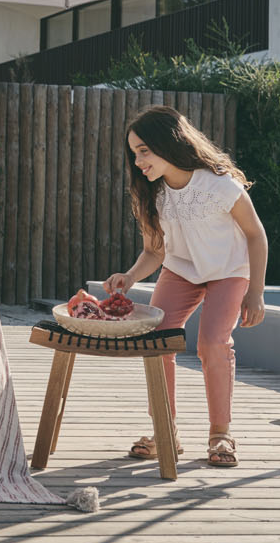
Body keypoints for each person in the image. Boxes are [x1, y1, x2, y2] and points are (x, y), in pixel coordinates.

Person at [102, 105, 268, 468]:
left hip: (227, 270)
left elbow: (256, 235)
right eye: (134, 153)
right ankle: (166, 432)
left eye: (144, 151)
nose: (138, 161)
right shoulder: (151, 193)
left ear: (168, 143)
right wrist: (130, 276)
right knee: (156, 341)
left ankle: (220, 433)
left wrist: (255, 291)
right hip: (181, 270)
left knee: (212, 343)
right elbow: (154, 251)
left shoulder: (220, 185)